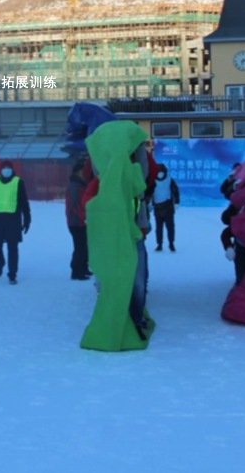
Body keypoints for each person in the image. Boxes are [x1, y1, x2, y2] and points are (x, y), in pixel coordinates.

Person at [79, 120, 154, 351]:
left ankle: (135, 318)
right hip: (111, 242)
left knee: (138, 282)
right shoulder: (100, 184)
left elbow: (149, 174)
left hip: (135, 236)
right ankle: (124, 320)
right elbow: (86, 206)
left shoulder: (135, 177)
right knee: (116, 283)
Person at [0, 160, 31, 284]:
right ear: (0, 170)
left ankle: (12, 274)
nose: (6, 170)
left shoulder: (18, 182)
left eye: (8, 168)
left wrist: (27, 219)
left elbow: (24, 202)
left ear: (12, 170)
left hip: (13, 218)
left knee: (12, 247)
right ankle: (0, 262)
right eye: (4, 168)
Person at [65, 159, 93, 280]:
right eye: (83, 171)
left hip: (80, 221)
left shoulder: (80, 184)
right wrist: (84, 217)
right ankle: (77, 271)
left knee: (84, 246)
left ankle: (83, 268)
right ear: (78, 172)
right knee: (80, 247)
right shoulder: (75, 186)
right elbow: (75, 205)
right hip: (77, 222)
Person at [149, 164, 181, 252]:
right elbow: (150, 192)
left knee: (167, 227)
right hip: (161, 207)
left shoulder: (168, 180)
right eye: (158, 173)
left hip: (166, 207)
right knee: (162, 228)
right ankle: (162, 244)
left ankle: (169, 243)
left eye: (161, 172)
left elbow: (175, 191)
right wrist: (149, 203)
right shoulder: (155, 181)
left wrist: (177, 202)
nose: (160, 174)